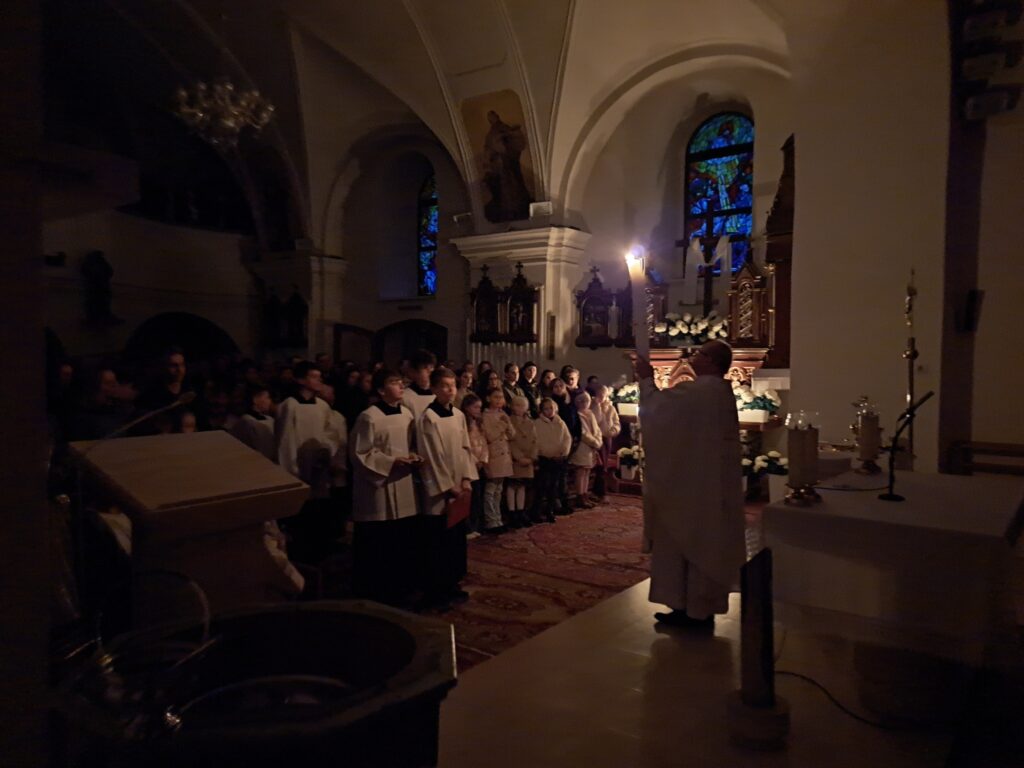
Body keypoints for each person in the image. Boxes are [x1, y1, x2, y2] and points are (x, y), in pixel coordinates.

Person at [634, 340, 744, 630]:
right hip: (700, 481)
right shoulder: (717, 391)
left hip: (692, 485)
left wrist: (646, 379)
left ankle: (695, 612)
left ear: (712, 362)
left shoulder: (703, 391)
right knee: (697, 540)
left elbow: (657, 411)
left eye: (700, 352)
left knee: (692, 537)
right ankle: (687, 607)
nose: (694, 355)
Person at [349, 367, 423, 606]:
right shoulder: (369, 417)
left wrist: (412, 456)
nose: (401, 386)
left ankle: (401, 586)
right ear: (381, 390)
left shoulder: (407, 415)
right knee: (379, 541)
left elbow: (408, 445)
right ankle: (376, 591)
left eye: (401, 382)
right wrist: (391, 462)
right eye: (394, 382)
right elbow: (360, 453)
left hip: (402, 484)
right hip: (378, 487)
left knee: (401, 538)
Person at [415, 367, 478, 607]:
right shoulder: (428, 418)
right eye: (445, 386)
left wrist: (466, 478)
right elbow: (431, 457)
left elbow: (465, 448)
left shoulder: (458, 415)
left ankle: (452, 583)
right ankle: (436, 591)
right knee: (437, 540)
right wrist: (449, 486)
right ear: (434, 388)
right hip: (440, 491)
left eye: (453, 385)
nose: (451, 390)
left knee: (455, 539)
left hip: (458, 486)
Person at [276, 361, 349, 562]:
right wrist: (292, 471)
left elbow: (330, 434)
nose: (319, 380)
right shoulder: (289, 406)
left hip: (320, 470)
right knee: (301, 519)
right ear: (301, 380)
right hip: (298, 470)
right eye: (314, 377)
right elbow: (286, 441)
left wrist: (325, 453)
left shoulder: (322, 406)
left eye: (319, 376)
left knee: (319, 516)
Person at [481, 388, 516, 534]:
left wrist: (508, 424)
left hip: (504, 456)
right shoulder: (485, 416)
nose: (499, 400)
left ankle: (498, 518)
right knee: (490, 490)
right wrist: (502, 425)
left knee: (498, 490)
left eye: (501, 397)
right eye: (496, 397)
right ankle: (490, 520)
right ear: (488, 398)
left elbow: (512, 434)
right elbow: (490, 435)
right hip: (493, 456)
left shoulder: (503, 414)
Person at [534, 397, 572, 521]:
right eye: (546, 409)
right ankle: (537, 511)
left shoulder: (560, 423)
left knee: (554, 486)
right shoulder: (537, 424)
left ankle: (550, 510)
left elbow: (567, 438)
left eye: (551, 408)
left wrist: (563, 452)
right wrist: (543, 453)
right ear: (541, 410)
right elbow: (536, 441)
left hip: (558, 459)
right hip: (545, 459)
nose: (549, 411)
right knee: (542, 486)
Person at [506, 395, 538, 528]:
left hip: (528, 458)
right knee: (512, 486)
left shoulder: (530, 422)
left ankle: (520, 511)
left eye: (522, 406)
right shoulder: (509, 421)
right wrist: (518, 457)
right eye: (517, 405)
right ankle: (512, 513)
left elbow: (535, 440)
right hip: (515, 459)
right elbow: (510, 441)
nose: (519, 408)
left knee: (522, 486)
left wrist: (532, 457)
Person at [569, 391, 603, 509]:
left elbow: (597, 429)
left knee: (587, 471)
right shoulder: (576, 415)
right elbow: (582, 433)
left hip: (591, 448)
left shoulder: (590, 413)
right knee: (581, 471)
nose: (584, 403)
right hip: (582, 447)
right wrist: (594, 442)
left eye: (586, 401)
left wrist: (598, 440)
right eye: (581, 401)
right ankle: (580, 496)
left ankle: (585, 494)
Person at [461, 393, 488, 534]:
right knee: (470, 497)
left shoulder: (479, 423)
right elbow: (464, 445)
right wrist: (474, 460)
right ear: (467, 407)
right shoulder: (463, 424)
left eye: (480, 407)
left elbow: (483, 442)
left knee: (478, 496)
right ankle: (468, 527)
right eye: (475, 407)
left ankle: (476, 525)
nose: (478, 410)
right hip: (469, 463)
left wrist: (483, 459)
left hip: (479, 464)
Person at [590, 384, 621, 502]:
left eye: (604, 394)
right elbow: (595, 420)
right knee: (600, 465)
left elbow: (616, 422)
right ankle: (600, 491)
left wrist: (613, 431)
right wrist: (597, 406)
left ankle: (599, 491)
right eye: (600, 395)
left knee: (604, 464)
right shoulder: (592, 406)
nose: (602, 397)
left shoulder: (611, 408)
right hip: (597, 439)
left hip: (607, 438)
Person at [231, 384, 276, 461]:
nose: (269, 401)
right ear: (255, 399)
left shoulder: (269, 419)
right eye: (267, 397)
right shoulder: (247, 421)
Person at [402, 349, 436, 420]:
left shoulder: (439, 393)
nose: (430, 370)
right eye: (425, 367)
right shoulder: (405, 397)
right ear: (413, 371)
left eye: (432, 367)